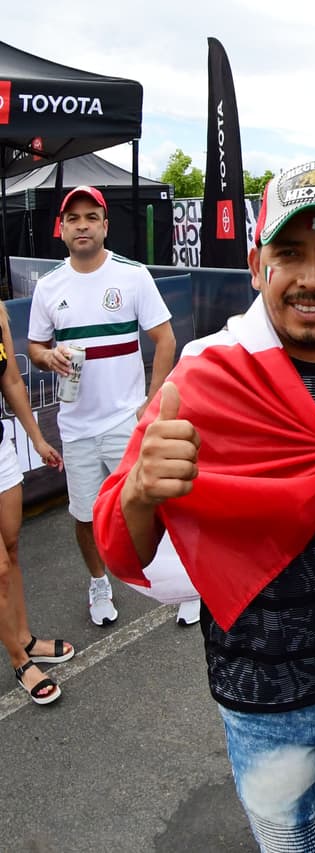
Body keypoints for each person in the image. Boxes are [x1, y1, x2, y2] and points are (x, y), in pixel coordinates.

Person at [94, 162, 315, 851]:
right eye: (290, 253)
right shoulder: (205, 374)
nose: (311, 279)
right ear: (257, 261)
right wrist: (142, 489)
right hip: (264, 699)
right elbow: (125, 543)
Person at [27, 185, 176, 627]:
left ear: (105, 226)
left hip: (125, 421)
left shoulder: (132, 276)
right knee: (85, 515)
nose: (83, 225)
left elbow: (165, 340)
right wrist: (46, 355)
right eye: (73, 219)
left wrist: (149, 406)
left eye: (91, 217)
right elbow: (34, 346)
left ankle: (178, 581)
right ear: (62, 229)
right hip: (75, 428)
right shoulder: (50, 286)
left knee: (151, 503)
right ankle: (99, 582)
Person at [0, 301, 71, 705]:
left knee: (11, 549)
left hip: (0, 451)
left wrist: (36, 439)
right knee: (0, 570)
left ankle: (24, 639)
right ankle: (19, 661)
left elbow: (10, 380)